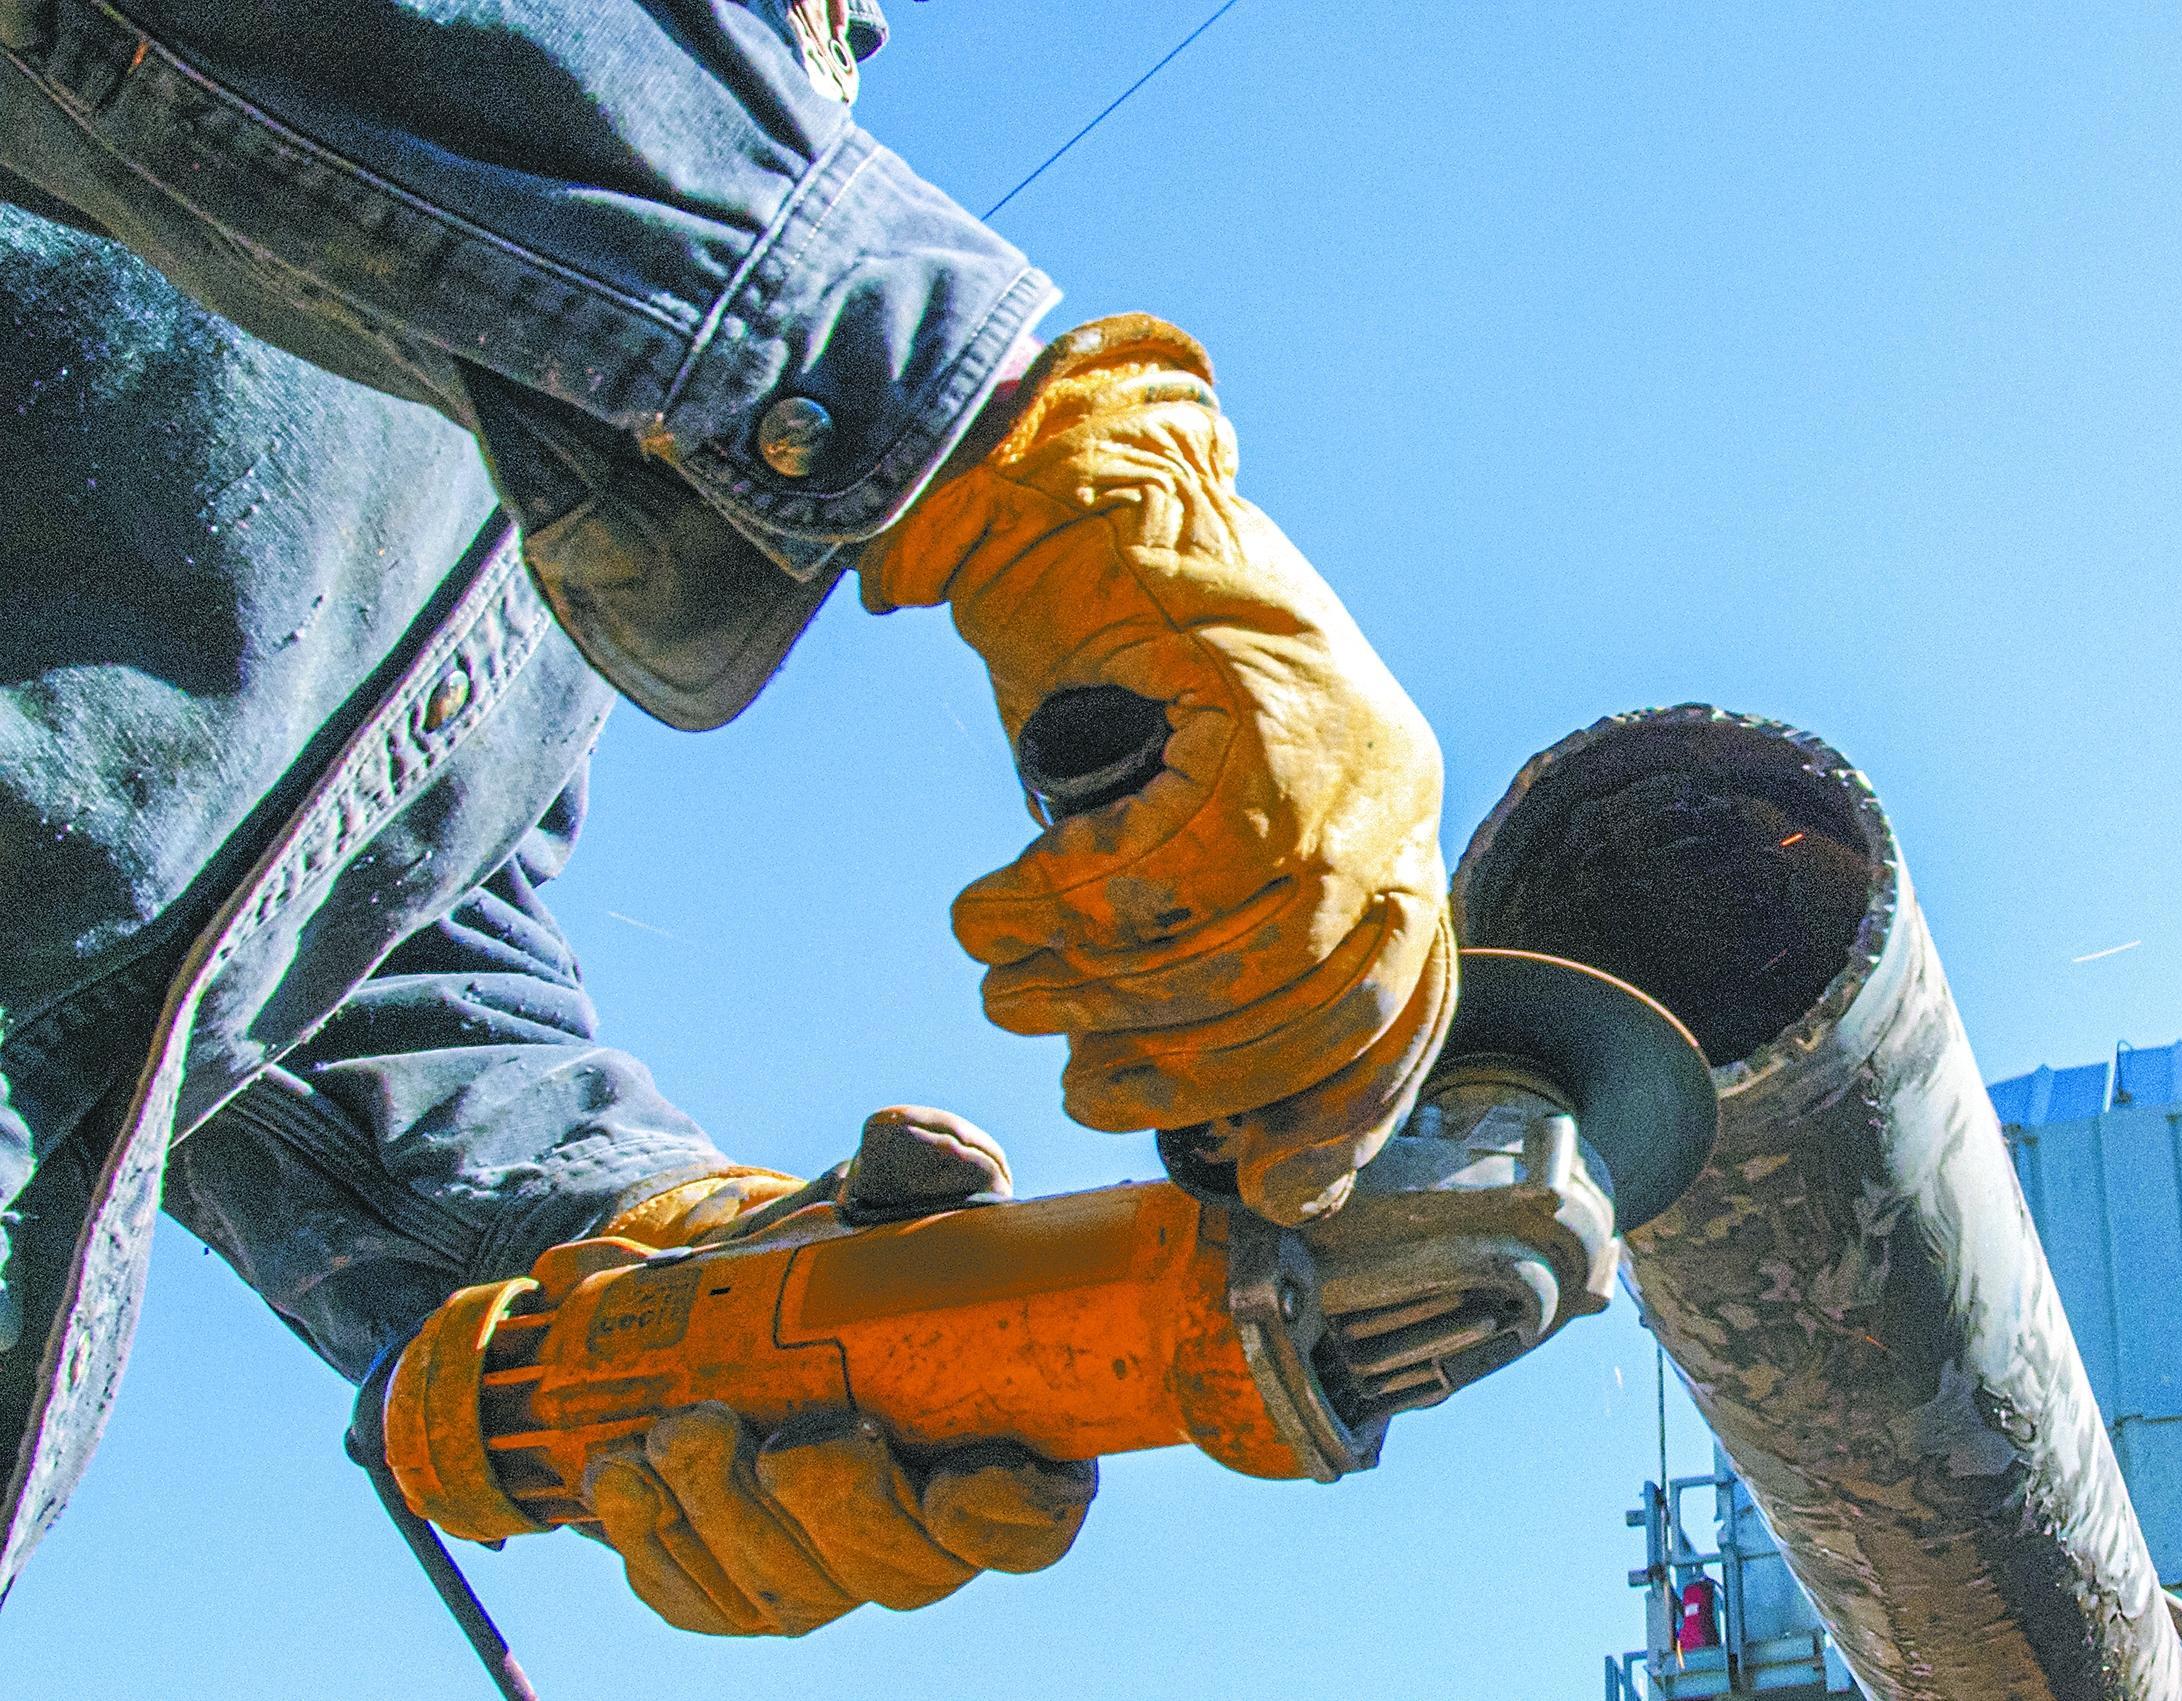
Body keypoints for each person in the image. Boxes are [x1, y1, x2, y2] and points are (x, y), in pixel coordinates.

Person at [0, 0, 1453, 1638]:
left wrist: (648, 1254)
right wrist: (955, 407)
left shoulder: (580, 262)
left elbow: (300, 957)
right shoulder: (628, 160)